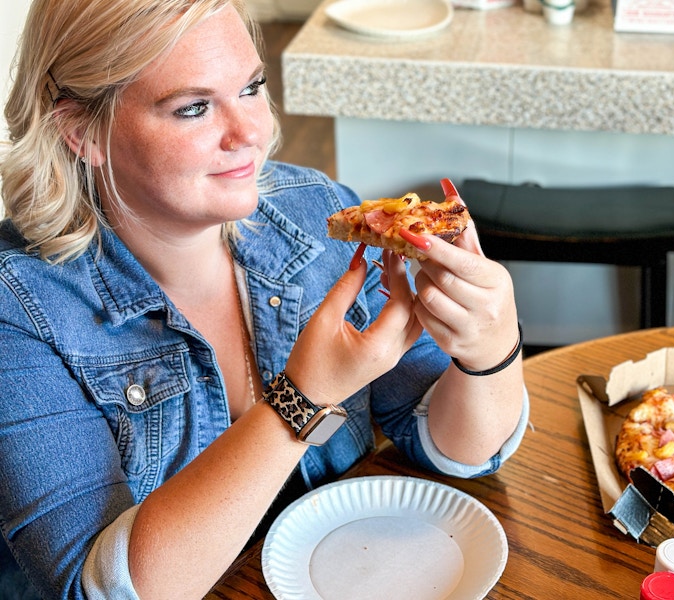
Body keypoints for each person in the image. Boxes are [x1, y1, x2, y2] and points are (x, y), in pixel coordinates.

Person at [0, 0, 529, 597]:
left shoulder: (312, 210)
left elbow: (451, 447)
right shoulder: (19, 309)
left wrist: (491, 347)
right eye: (194, 108)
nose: (251, 133)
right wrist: (302, 399)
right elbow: (93, 588)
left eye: (251, 87)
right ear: (81, 132)